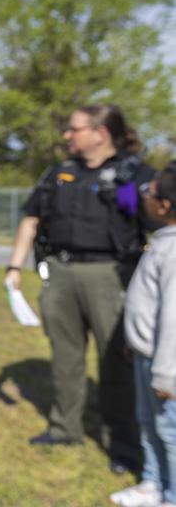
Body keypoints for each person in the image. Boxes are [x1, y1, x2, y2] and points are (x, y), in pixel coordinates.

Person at [5, 104, 159, 472]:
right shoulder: (60, 173)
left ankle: (123, 444)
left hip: (111, 275)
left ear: (100, 133)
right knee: (65, 356)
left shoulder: (132, 174)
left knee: (116, 362)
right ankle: (64, 428)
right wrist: (14, 266)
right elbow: (32, 219)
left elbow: (151, 222)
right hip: (60, 272)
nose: (67, 136)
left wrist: (128, 192)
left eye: (74, 129)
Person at [110, 161, 176, 507]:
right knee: (149, 427)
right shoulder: (163, 240)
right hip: (146, 356)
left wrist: (166, 373)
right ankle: (153, 483)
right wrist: (135, 344)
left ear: (164, 205)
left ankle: (172, 494)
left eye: (150, 191)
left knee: (170, 432)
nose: (143, 194)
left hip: (167, 368)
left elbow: (173, 320)